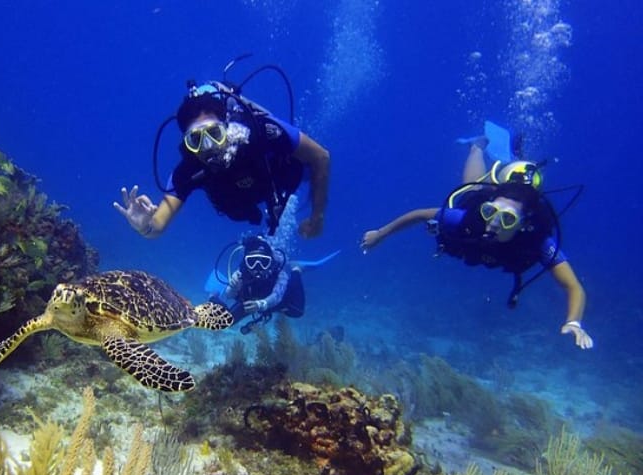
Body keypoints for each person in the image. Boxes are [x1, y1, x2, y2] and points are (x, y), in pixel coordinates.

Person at [360, 137, 594, 350]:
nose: (493, 223)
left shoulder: (537, 240)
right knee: (473, 188)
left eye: (507, 218)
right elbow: (420, 213)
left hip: (517, 224)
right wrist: (380, 234)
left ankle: (518, 162)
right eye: (490, 211)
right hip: (479, 196)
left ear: (523, 225)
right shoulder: (469, 218)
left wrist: (574, 322)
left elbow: (573, 286)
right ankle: (477, 146)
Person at [114, 82, 330, 239]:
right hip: (240, 204)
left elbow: (321, 156)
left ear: (228, 128)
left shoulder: (261, 132)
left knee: (303, 171)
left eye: (214, 134)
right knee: (239, 212)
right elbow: (157, 225)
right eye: (196, 139)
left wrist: (317, 216)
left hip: (281, 177)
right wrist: (144, 226)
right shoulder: (187, 171)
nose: (208, 147)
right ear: (187, 144)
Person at [215, 235, 305, 334]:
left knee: (297, 311)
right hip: (250, 302)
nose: (258, 267)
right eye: (252, 262)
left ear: (270, 262)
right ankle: (213, 296)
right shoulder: (240, 273)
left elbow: (277, 295)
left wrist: (261, 304)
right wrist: (233, 288)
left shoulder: (279, 273)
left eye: (264, 262)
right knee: (224, 322)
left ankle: (296, 270)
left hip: (274, 303)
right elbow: (229, 295)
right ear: (246, 262)